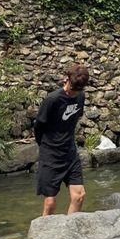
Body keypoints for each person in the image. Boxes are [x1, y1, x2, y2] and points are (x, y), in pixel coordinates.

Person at [34, 64, 89, 217]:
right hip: (50, 153)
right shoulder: (52, 100)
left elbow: (75, 118)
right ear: (66, 80)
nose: (73, 94)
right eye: (71, 90)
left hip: (69, 152)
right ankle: (44, 236)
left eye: (77, 91)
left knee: (79, 196)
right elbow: (38, 127)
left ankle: (69, 230)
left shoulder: (80, 96)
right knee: (50, 203)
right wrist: (46, 146)